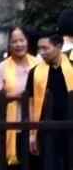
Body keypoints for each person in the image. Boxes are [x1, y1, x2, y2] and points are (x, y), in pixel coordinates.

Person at [30, 20, 73, 164]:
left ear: (59, 46)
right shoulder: (34, 72)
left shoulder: (72, 67)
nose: (41, 53)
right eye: (39, 49)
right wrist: (32, 133)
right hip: (47, 130)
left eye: (45, 48)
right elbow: (31, 104)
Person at [0, 27, 34, 166]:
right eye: (14, 41)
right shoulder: (1, 68)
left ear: (27, 41)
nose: (19, 45)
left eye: (22, 40)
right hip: (12, 126)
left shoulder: (38, 65)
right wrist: (14, 96)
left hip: (36, 126)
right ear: (9, 44)